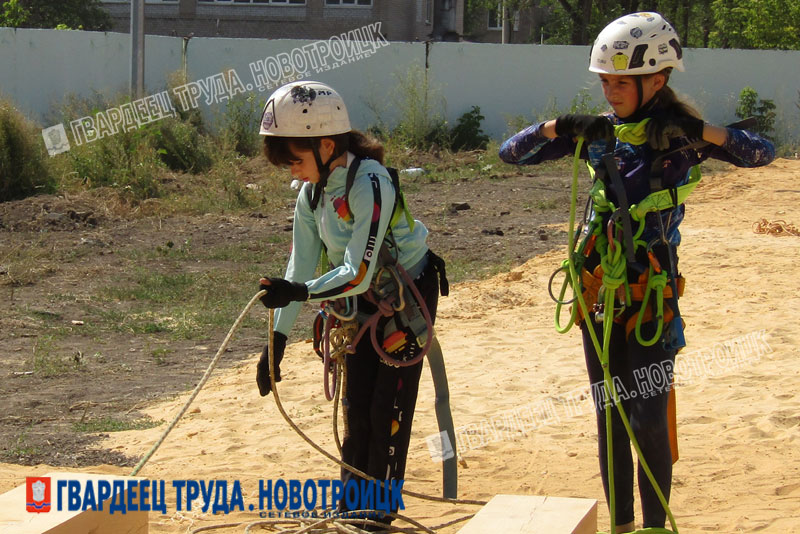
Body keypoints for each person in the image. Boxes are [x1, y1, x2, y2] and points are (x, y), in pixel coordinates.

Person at [499, 12, 774, 533]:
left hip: (651, 297)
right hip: (599, 294)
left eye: (620, 82)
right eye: (605, 82)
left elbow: (761, 153)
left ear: (658, 79)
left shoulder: (681, 140)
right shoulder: (600, 135)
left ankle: (652, 527)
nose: (610, 92)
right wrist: (557, 126)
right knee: (610, 415)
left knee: (647, 417)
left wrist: (699, 131)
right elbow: (510, 154)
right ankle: (622, 526)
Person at [255, 80, 447, 529]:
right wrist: (277, 338)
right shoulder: (312, 192)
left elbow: (356, 270)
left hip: (405, 299)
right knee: (355, 408)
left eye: (296, 161)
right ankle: (351, 508)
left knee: (387, 411)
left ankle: (376, 515)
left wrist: (300, 293)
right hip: (355, 301)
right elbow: (300, 263)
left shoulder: (371, 182)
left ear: (326, 144)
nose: (295, 173)